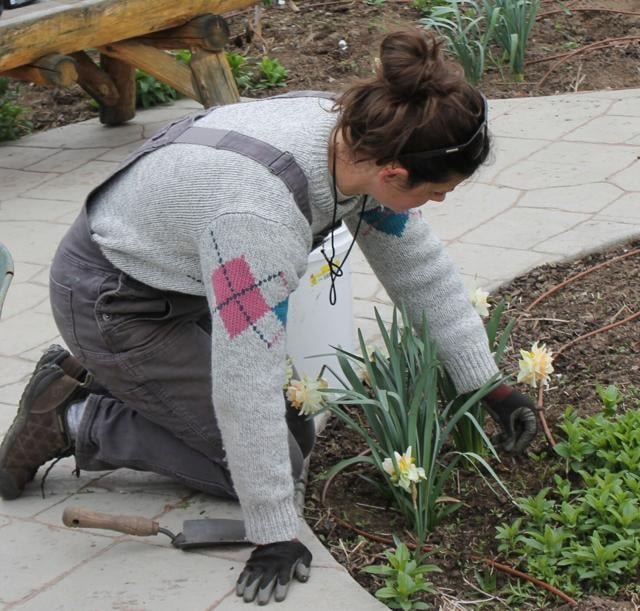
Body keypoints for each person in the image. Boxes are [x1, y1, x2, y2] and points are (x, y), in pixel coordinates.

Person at [0, 27, 537, 604]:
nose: (441, 202)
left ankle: (105, 384)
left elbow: (422, 274)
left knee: (294, 429)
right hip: (114, 304)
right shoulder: (260, 221)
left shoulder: (356, 133)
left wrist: (490, 389)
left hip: (179, 279)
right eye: (438, 192)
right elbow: (244, 384)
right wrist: (275, 533)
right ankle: (74, 417)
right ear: (394, 175)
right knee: (275, 465)